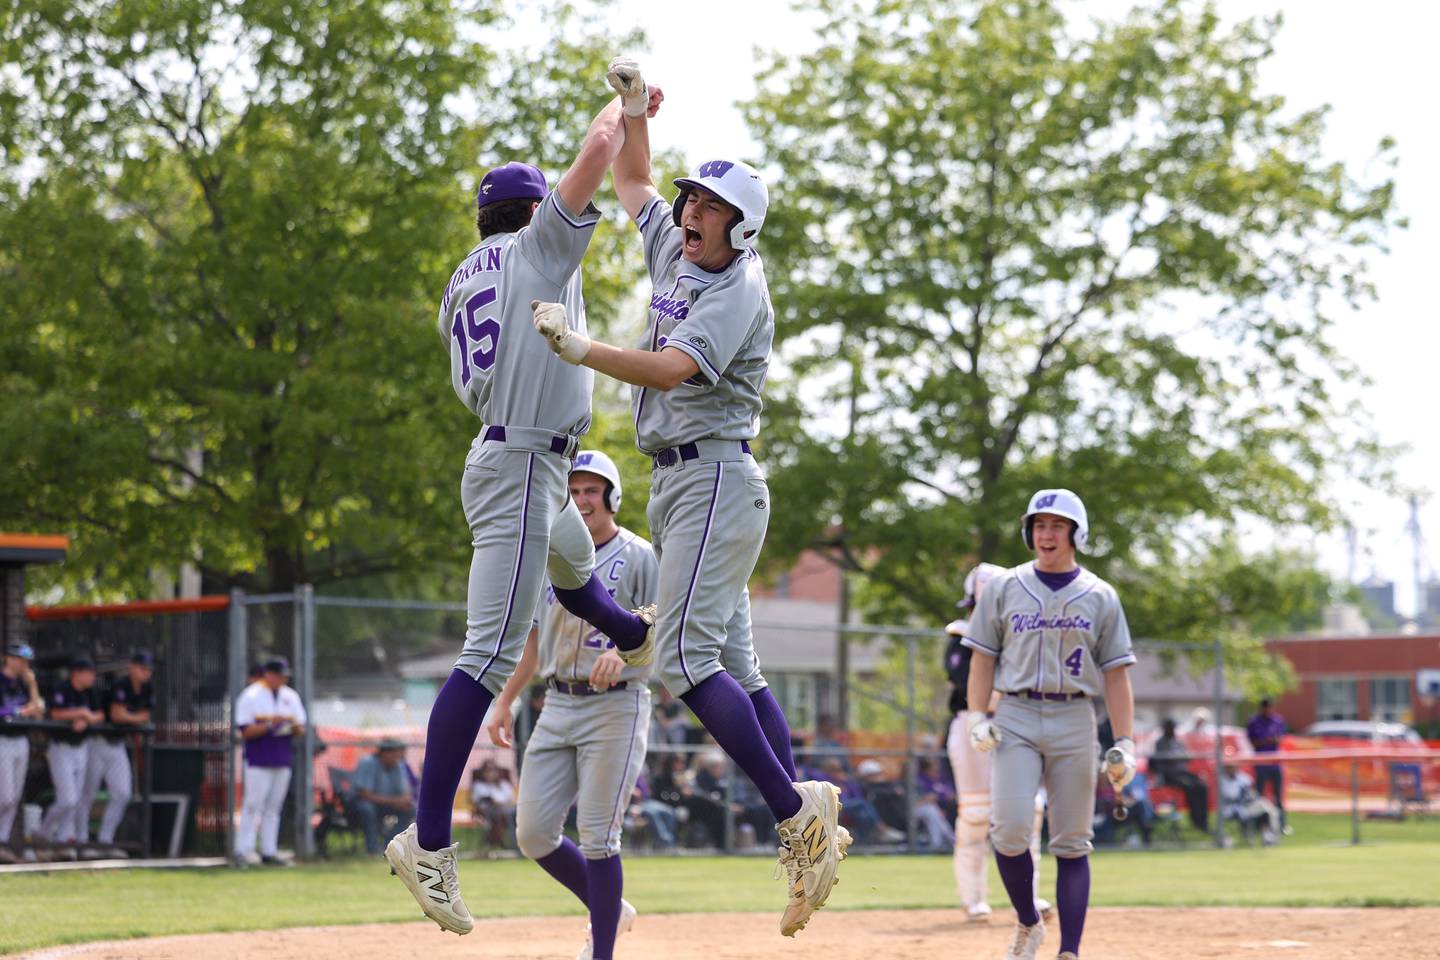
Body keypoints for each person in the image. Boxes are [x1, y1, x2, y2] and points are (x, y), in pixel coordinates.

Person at [529, 58, 846, 939]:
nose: (691, 214)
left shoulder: (737, 286)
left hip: (711, 477)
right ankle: (806, 824)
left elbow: (672, 368)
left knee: (680, 663)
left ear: (742, 231)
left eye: (710, 208)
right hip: (685, 483)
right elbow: (631, 178)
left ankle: (796, 818)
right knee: (736, 669)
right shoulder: (678, 242)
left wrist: (583, 351)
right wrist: (633, 112)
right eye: (693, 202)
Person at [385, 66, 674, 943]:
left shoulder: (462, 278)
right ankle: (427, 840)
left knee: (579, 570)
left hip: (525, 459)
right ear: (535, 212)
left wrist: (623, 123)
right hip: (520, 465)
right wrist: (623, 111)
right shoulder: (537, 249)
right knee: (484, 656)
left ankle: (631, 632)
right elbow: (595, 154)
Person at [482, 449, 657, 960]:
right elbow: (532, 641)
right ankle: (612, 908)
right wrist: (505, 702)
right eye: (573, 491)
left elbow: (663, 623)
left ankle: (600, 950)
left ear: (611, 496)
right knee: (533, 834)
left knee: (600, 836)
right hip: (557, 704)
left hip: (616, 707)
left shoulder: (640, 554)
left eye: (590, 490)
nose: (581, 500)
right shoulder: (552, 555)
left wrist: (627, 659)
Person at [964, 489, 1138, 960]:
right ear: (1029, 532)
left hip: (1074, 716)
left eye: (1057, 526)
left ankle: (1071, 951)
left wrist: (1124, 740)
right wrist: (978, 714)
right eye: (1039, 525)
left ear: (1076, 533)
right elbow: (981, 659)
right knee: (1010, 829)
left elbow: (1117, 674)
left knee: (1072, 840)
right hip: (1016, 714)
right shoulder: (1004, 587)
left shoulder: (1100, 595)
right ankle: (1027, 922)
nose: (1047, 534)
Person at [944, 563, 1054, 923]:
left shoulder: (1023, 637)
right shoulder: (961, 635)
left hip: (1016, 725)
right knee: (977, 814)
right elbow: (963, 679)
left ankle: (1028, 897)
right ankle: (973, 898)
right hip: (972, 725)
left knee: (1028, 813)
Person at [78, 650, 154, 858]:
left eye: (148, 669)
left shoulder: (147, 687)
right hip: (98, 742)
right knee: (87, 794)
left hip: (118, 744)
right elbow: (116, 715)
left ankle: (105, 841)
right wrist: (135, 718)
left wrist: (130, 717)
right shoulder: (120, 684)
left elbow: (146, 714)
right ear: (132, 667)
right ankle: (82, 843)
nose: (145, 673)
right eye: (142, 668)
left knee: (122, 793)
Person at [234, 656, 306, 866]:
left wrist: (290, 726)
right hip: (258, 758)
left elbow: (301, 726)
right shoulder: (251, 695)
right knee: (252, 804)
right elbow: (245, 730)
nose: (282, 680)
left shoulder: (290, 696)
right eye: (279, 676)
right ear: (269, 674)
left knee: (274, 807)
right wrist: (269, 725)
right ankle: (243, 849)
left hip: (282, 757)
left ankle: (269, 850)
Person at [39, 656, 105, 854]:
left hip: (81, 748)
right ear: (77, 673)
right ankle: (43, 833)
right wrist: (80, 713)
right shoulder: (63, 688)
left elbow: (100, 715)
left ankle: (64, 841)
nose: (92, 677)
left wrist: (87, 718)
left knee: (75, 800)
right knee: (67, 799)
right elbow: (56, 713)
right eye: (89, 673)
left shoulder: (90, 692)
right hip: (61, 747)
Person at [0, 643, 44, 862]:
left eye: (26, 661)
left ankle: (3, 842)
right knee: (5, 796)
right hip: (2, 739)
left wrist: (33, 685)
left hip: (21, 740)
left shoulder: (24, 684)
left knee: (14, 797)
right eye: (19, 659)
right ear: (7, 658)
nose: (23, 664)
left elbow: (38, 713)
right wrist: (21, 711)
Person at [352, 739, 416, 856]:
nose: (398, 757)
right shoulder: (368, 763)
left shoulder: (398, 765)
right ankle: (372, 849)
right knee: (367, 809)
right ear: (385, 753)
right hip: (362, 803)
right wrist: (393, 801)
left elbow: (406, 795)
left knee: (410, 809)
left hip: (385, 804)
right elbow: (364, 794)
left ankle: (389, 845)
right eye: (395, 754)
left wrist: (400, 801)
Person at [1149, 717, 1208, 833]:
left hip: (1182, 773)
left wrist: (1180, 757)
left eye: (1172, 727)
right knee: (1190, 787)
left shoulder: (1178, 741)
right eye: (1168, 727)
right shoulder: (1160, 742)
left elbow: (1186, 757)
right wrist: (1176, 757)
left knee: (1202, 786)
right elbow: (1164, 761)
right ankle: (1195, 821)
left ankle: (1203, 822)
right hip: (1170, 775)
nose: (1171, 730)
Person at [1246, 699, 1287, 832]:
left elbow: (1281, 737)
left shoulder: (1278, 720)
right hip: (1261, 765)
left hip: (1275, 764)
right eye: (1266, 708)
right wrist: (1266, 741)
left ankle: (1281, 825)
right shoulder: (1254, 722)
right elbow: (1253, 743)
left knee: (1278, 797)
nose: (1268, 711)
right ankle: (1258, 825)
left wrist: (1274, 740)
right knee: (1258, 797)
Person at [1219, 764, 1279, 845]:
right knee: (1245, 813)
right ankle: (1228, 838)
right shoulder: (1222, 780)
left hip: (1247, 805)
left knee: (1269, 808)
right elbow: (1231, 796)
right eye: (1228, 767)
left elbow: (1252, 793)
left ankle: (1270, 835)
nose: (1230, 769)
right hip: (1231, 807)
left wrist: (1251, 795)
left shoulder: (1244, 778)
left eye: (1232, 767)